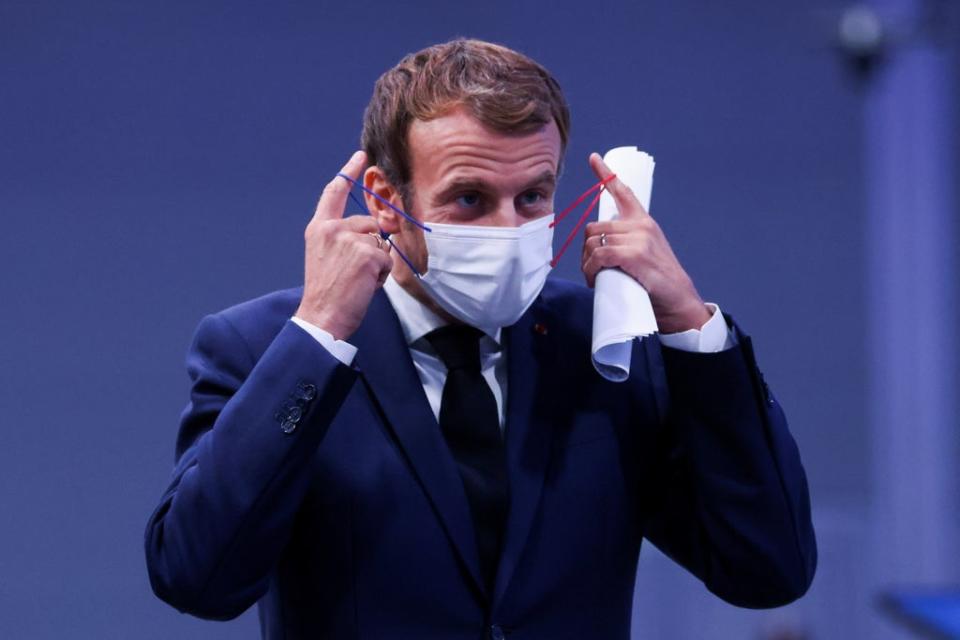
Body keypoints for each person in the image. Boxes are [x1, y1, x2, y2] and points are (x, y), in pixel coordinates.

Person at [145, 38, 816, 639]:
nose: (507, 229)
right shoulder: (265, 348)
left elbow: (767, 569)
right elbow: (198, 579)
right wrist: (319, 334)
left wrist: (693, 329)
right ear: (383, 199)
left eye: (533, 197)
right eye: (469, 199)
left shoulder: (605, 348)